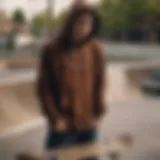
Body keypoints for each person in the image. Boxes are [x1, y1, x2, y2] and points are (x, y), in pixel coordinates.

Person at [37, 3, 107, 160]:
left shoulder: (96, 50)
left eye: (89, 24)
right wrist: (55, 118)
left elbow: (100, 84)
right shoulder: (52, 49)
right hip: (62, 125)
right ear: (71, 22)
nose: (84, 28)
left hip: (88, 124)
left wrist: (98, 114)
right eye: (80, 22)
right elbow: (44, 89)